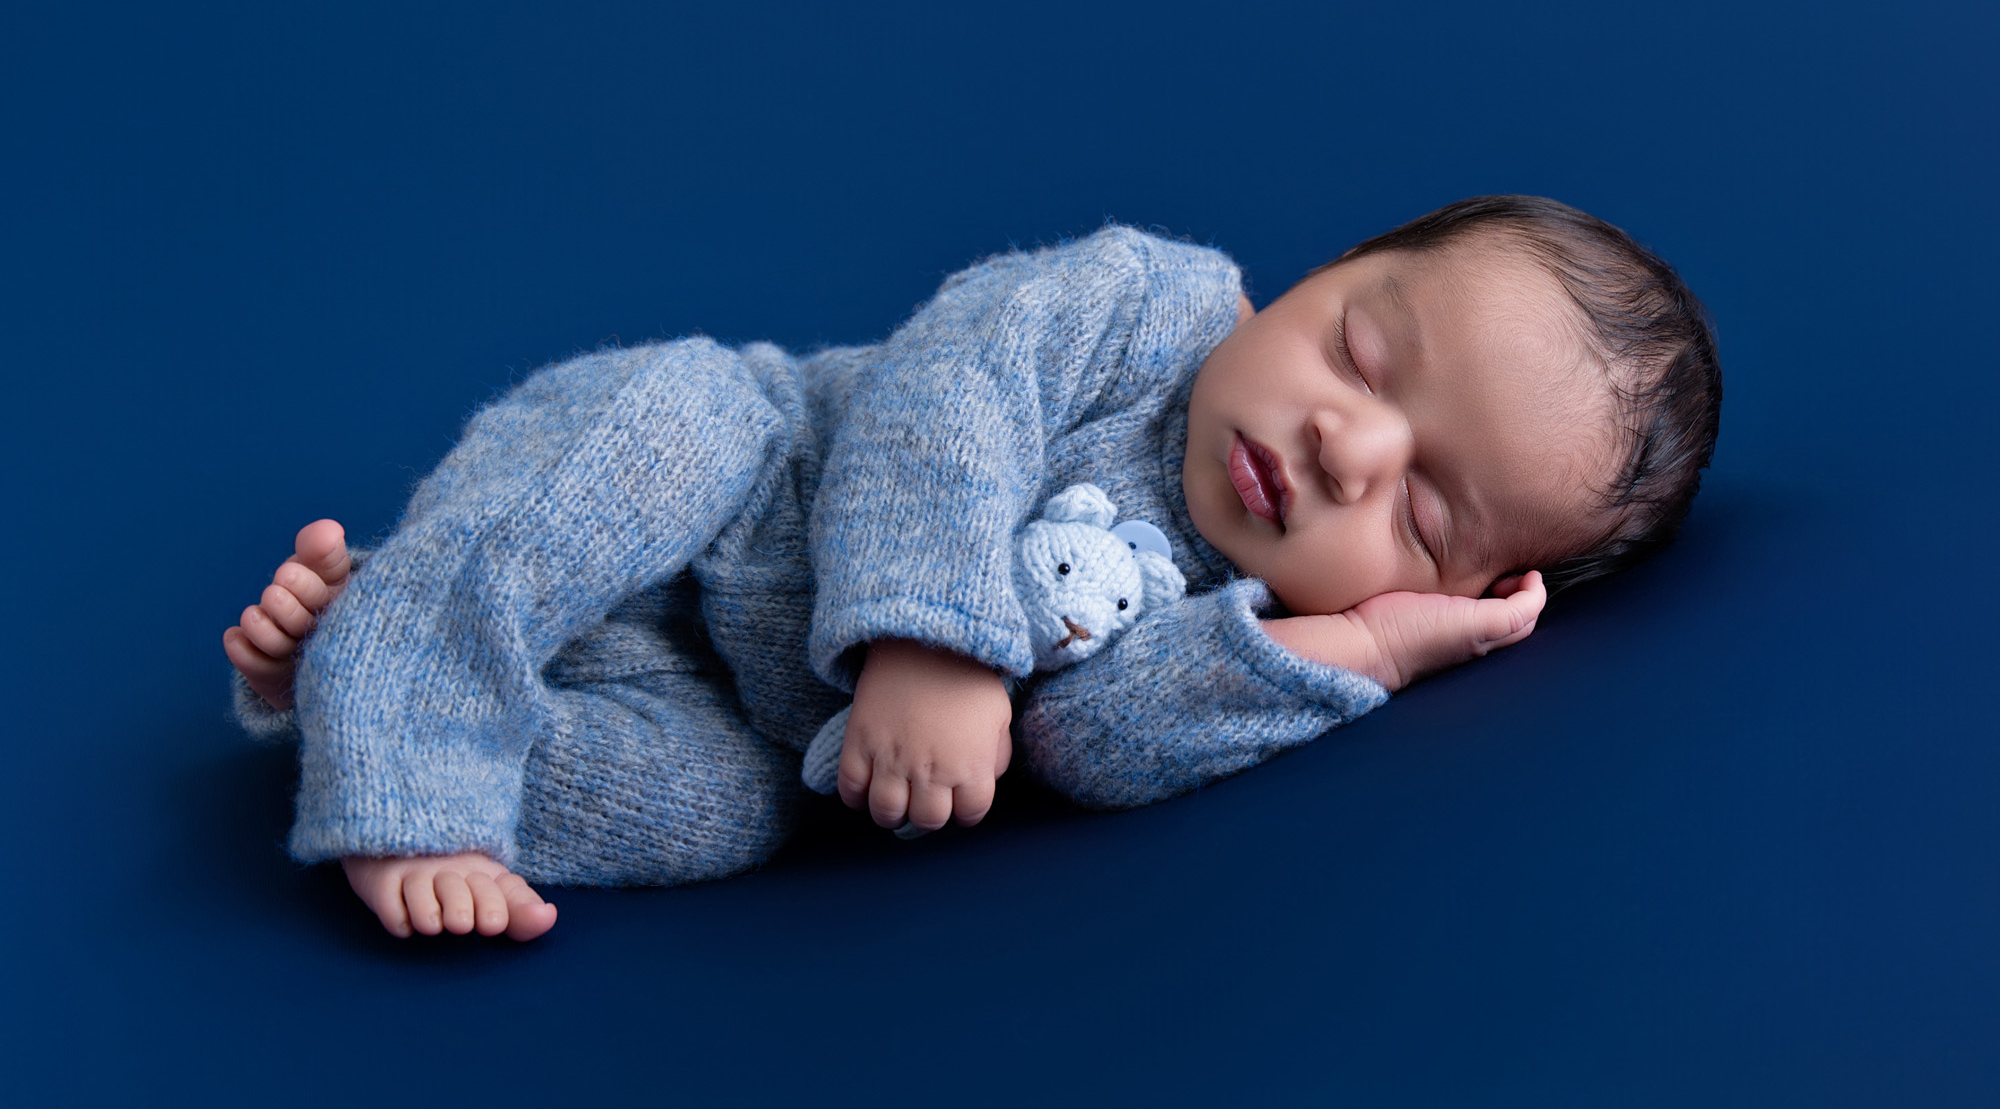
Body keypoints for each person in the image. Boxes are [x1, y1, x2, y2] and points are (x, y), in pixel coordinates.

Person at [224, 195, 1721, 942]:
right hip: (746, 468)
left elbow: (1086, 747)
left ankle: (358, 675)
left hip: (747, 711)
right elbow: (948, 389)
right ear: (1315, 277)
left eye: (1426, 516)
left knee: (728, 815)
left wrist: (1368, 654)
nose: (1347, 449)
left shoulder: (1241, 621)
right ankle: (408, 714)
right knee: (648, 435)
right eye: (1363, 351)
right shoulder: (1148, 302)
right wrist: (932, 643)